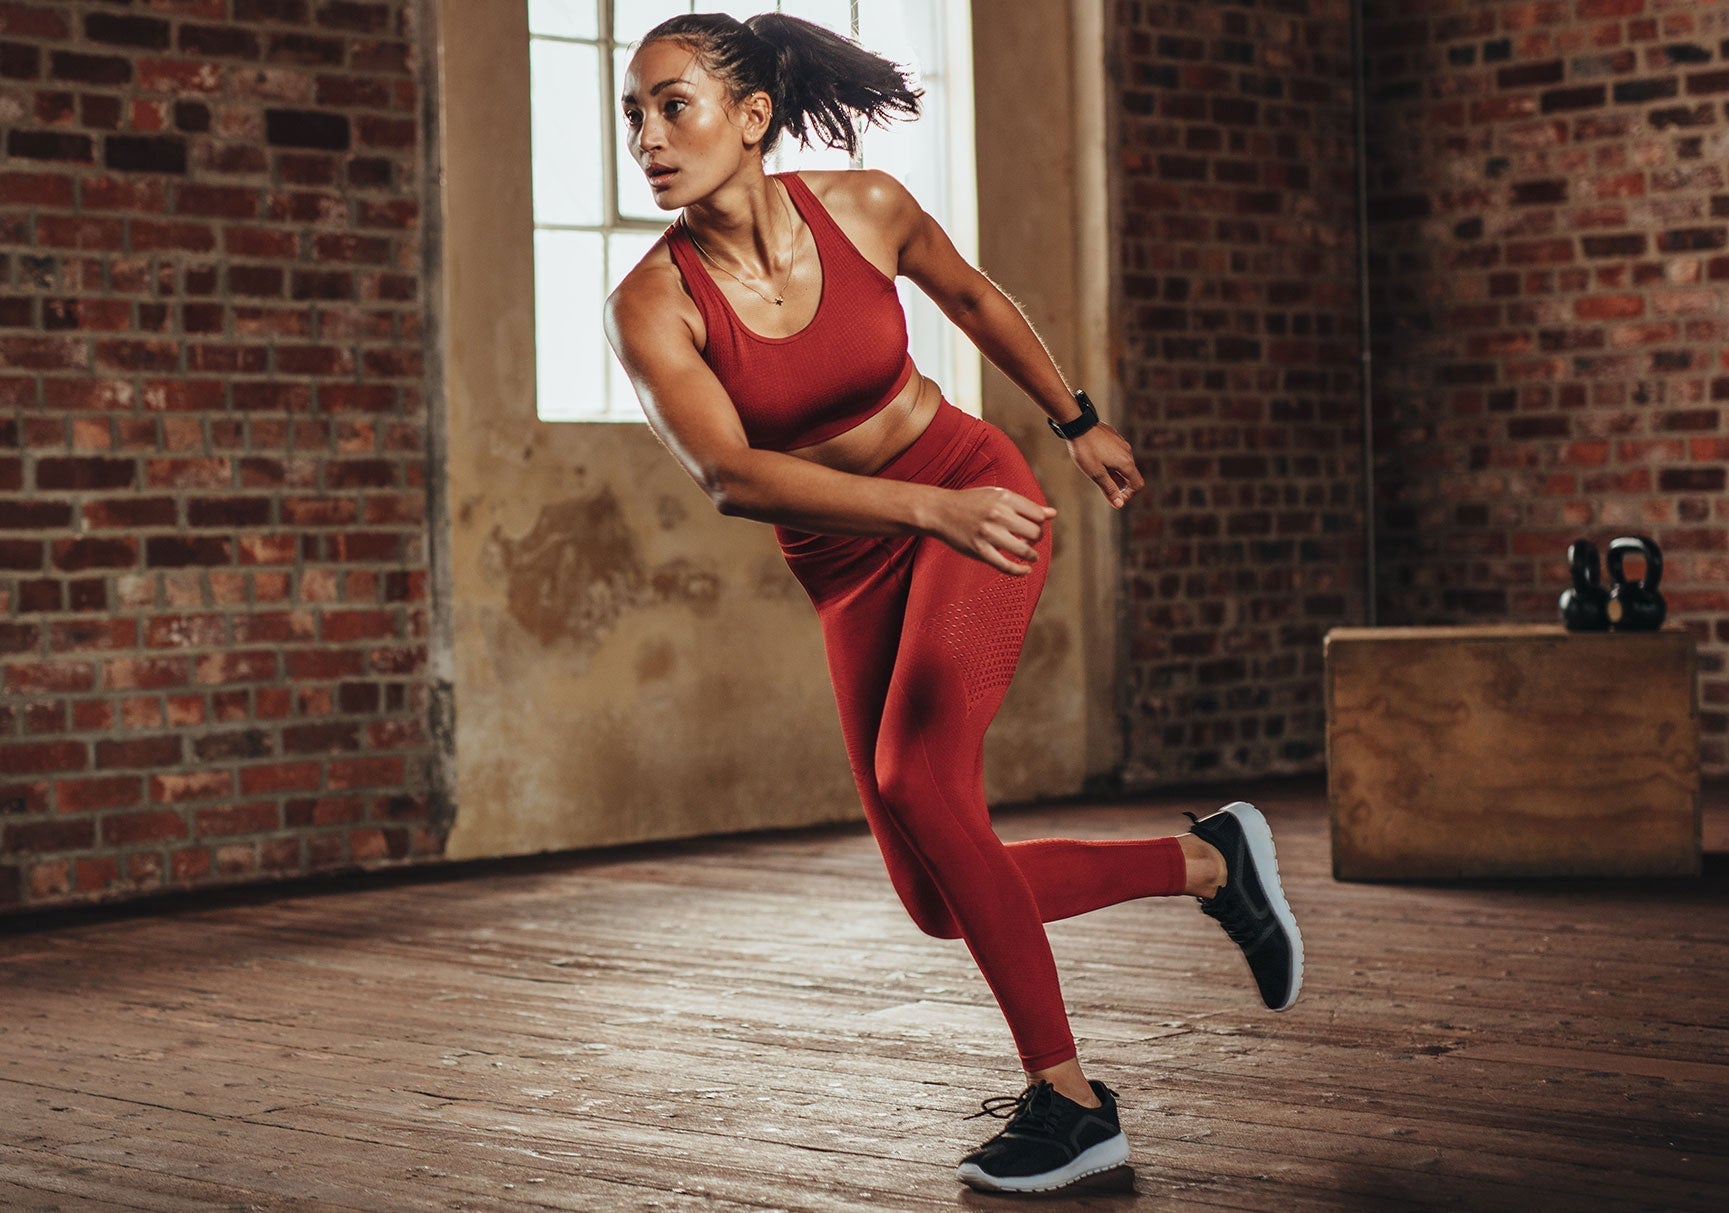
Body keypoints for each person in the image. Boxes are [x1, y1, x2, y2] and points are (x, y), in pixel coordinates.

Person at [602, 11, 1303, 1195]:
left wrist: (1074, 423)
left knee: (917, 780)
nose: (649, 137)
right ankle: (1207, 864)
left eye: (674, 104)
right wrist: (920, 518)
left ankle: (1070, 1102)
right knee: (936, 896)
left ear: (751, 118)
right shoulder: (653, 304)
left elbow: (973, 302)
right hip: (853, 557)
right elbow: (733, 475)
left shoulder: (865, 208)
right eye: (633, 114)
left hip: (973, 492)